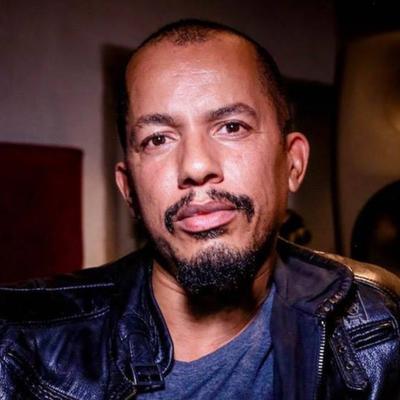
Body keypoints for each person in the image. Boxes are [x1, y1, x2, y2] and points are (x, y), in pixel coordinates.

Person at [0, 19, 399, 400]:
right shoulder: (17, 348)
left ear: (293, 163)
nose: (195, 166)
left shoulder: (380, 328)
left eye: (231, 127)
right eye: (158, 139)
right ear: (129, 189)